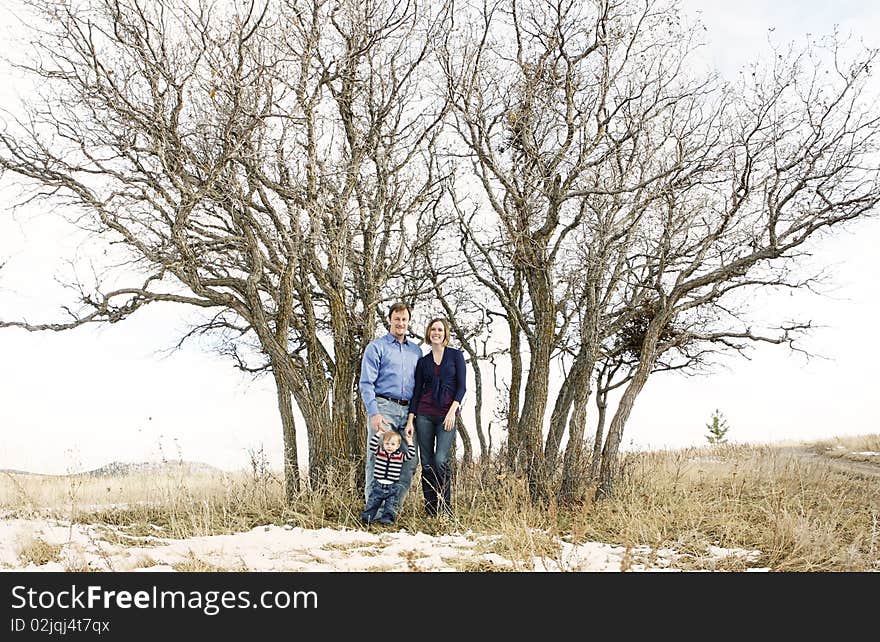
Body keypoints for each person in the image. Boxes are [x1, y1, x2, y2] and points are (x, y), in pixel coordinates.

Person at [359, 302, 422, 512]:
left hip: (408, 412)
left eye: (404, 319)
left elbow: (420, 383)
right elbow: (366, 382)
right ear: (390, 320)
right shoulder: (377, 347)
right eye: (397, 319)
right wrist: (374, 412)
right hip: (384, 407)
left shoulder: (416, 351)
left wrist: (414, 415)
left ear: (408, 322)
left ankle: (393, 509)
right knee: (378, 457)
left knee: (409, 461)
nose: (401, 323)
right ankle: (373, 511)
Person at [405, 317, 466, 517]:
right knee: (427, 462)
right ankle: (431, 509)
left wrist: (452, 411)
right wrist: (410, 419)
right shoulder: (423, 362)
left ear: (445, 333)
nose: (436, 333)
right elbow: (416, 392)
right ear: (429, 334)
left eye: (440, 330)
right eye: (433, 330)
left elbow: (462, 387)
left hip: (446, 415)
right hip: (424, 414)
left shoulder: (456, 356)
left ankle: (445, 508)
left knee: (441, 459)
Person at [361, 430, 417, 525]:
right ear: (383, 444)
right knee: (373, 504)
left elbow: (411, 454)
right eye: (387, 444)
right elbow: (372, 444)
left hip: (392, 486)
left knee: (390, 506)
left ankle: (387, 521)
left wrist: (410, 442)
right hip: (378, 485)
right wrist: (378, 433)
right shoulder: (380, 453)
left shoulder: (399, 456)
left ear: (398, 446)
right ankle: (367, 519)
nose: (389, 446)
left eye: (393, 444)